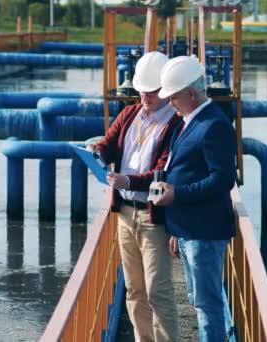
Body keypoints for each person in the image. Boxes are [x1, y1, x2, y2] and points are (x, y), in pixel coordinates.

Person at [89, 51, 182, 342]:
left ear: (166, 90)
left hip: (153, 218)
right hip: (125, 214)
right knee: (135, 290)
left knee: (158, 291)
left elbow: (161, 172)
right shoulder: (129, 113)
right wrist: (98, 152)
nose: (145, 95)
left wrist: (127, 180)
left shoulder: (176, 125)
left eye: (152, 90)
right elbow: (109, 142)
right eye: (141, 89)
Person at [153, 55, 238, 342]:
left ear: (191, 93)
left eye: (173, 97)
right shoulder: (189, 121)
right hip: (190, 230)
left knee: (207, 305)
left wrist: (178, 194)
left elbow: (223, 179)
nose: (170, 103)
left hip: (205, 232)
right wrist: (178, 229)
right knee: (197, 299)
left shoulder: (215, 125)